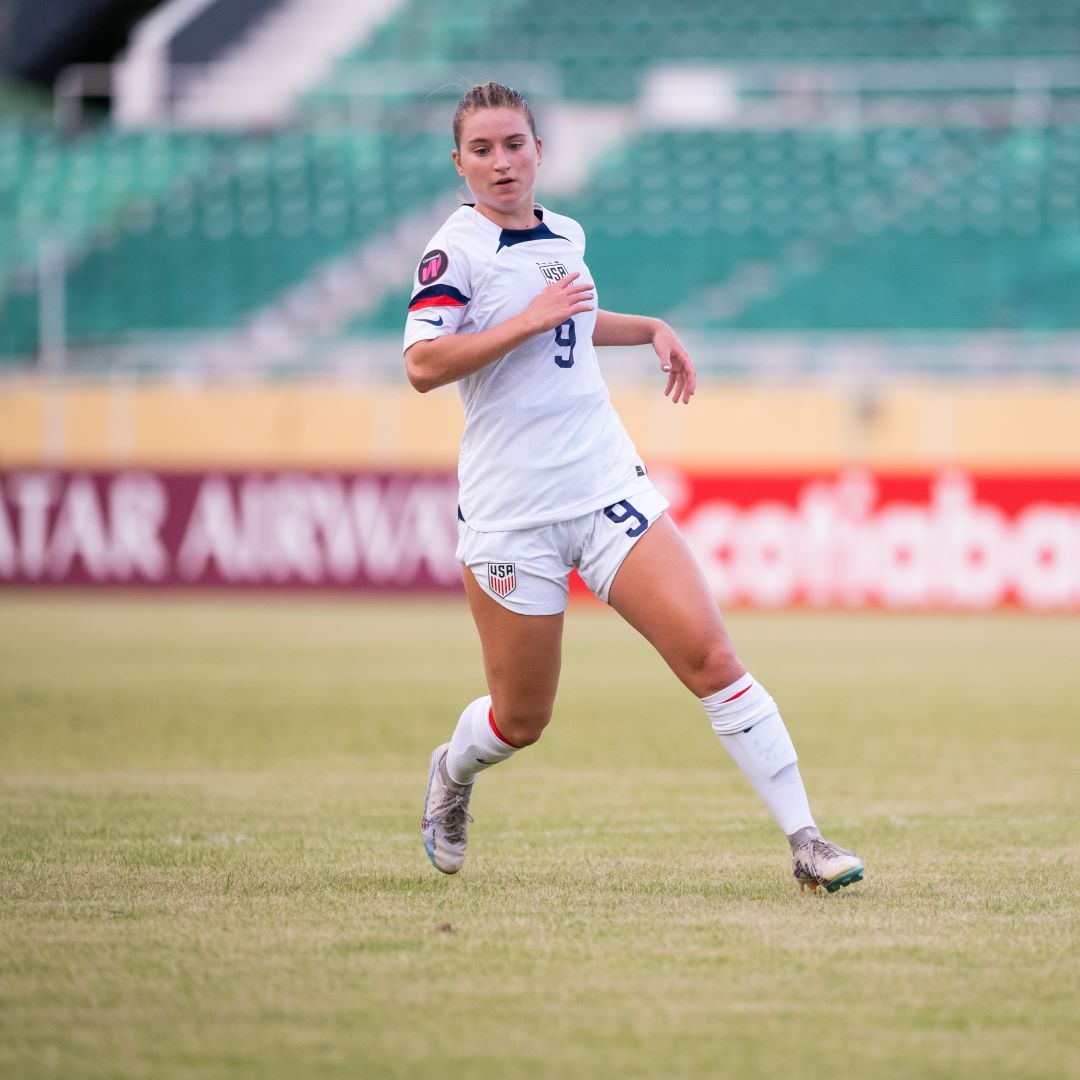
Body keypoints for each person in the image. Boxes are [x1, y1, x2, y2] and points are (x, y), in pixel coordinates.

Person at [404, 82, 863, 894]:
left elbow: (571, 320)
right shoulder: (456, 251)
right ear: (459, 164)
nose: (501, 162)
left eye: (514, 144)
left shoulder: (564, 233)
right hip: (514, 517)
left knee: (712, 656)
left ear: (540, 150)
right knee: (521, 720)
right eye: (482, 150)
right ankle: (454, 769)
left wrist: (647, 326)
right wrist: (526, 319)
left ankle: (808, 841)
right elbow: (421, 364)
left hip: (607, 487)